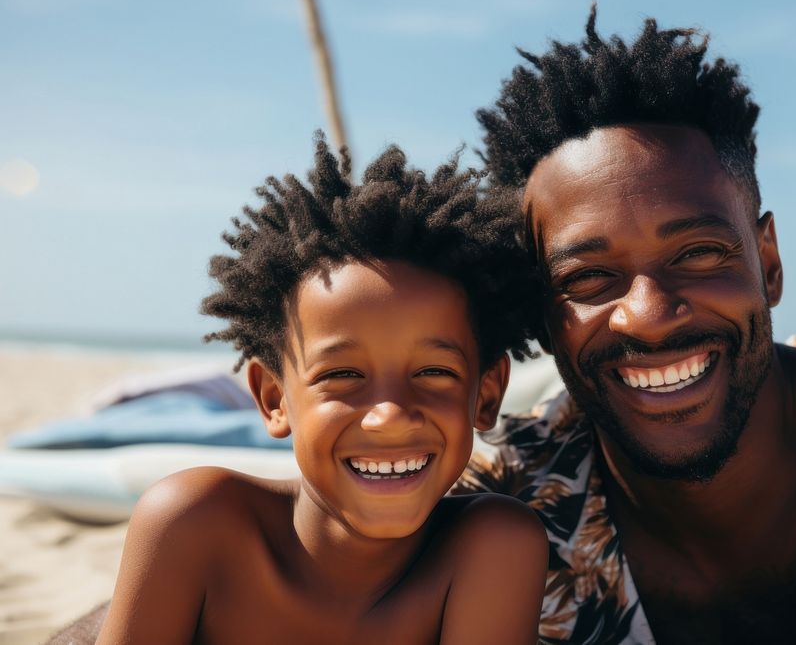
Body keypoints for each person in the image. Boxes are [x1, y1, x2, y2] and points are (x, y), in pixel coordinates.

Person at [453, 7, 796, 644]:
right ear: (543, 316)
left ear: (767, 262)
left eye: (698, 253)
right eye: (588, 278)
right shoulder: (506, 513)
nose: (650, 316)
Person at [94, 135, 548, 644]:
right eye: (342, 375)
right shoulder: (194, 522)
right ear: (273, 398)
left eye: (433, 373)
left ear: (486, 394)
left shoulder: (491, 548)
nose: (390, 415)